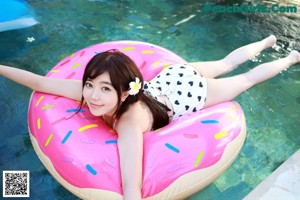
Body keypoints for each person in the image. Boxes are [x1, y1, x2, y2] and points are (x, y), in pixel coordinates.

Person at [0, 35, 299, 200]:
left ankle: (288, 57)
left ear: (122, 92)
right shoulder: (90, 93)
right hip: (167, 80)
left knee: (244, 79)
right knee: (225, 62)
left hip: (189, 92)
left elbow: (132, 186)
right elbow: (40, 83)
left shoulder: (128, 123)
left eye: (104, 89)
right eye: (90, 84)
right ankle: (268, 41)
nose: (92, 96)